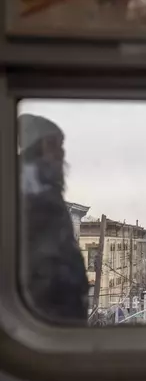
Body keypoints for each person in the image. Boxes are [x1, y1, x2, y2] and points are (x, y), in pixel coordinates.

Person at [19, 114, 89, 325]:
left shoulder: (45, 188)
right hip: (46, 313)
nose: (62, 153)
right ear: (39, 147)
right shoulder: (29, 192)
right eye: (55, 145)